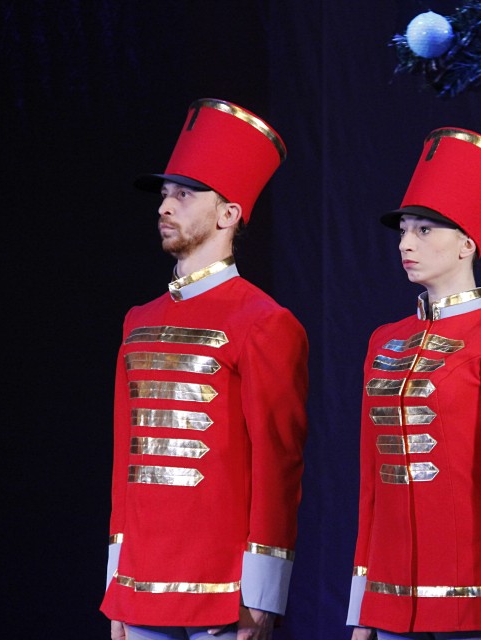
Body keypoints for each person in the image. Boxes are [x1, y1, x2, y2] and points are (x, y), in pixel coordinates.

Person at [101, 99, 308, 640]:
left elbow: (278, 467)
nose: (165, 207)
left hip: (223, 592)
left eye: (184, 195)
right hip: (139, 586)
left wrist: (262, 595)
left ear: (228, 215)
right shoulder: (138, 320)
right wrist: (116, 583)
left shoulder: (264, 322)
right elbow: (127, 462)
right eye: (165, 195)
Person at [346, 128, 481, 640]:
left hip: (469, 603)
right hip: (388, 603)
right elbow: (371, 485)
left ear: (466, 244)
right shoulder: (383, 341)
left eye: (425, 229)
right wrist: (362, 609)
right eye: (404, 230)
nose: (406, 243)